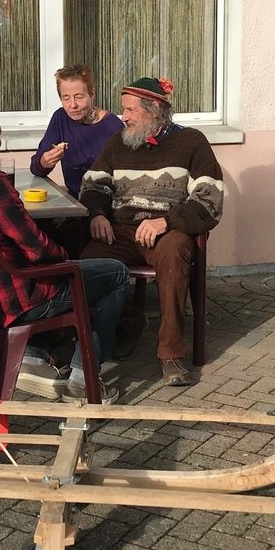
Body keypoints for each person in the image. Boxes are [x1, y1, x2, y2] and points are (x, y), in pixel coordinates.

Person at [0, 104, 129, 402]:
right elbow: (37, 249)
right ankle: (83, 381)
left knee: (56, 267)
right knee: (115, 273)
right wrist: (65, 259)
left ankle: (34, 358)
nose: (0, 142)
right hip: (13, 300)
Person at [80, 77, 223, 387]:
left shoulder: (192, 142)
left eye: (130, 110)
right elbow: (93, 183)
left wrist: (167, 222)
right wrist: (97, 214)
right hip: (121, 229)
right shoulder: (119, 142)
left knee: (174, 255)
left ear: (154, 109)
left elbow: (209, 198)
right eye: (123, 109)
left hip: (167, 230)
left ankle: (171, 354)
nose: (123, 117)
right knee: (85, 266)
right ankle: (132, 322)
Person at [30, 64, 124, 197]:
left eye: (79, 97)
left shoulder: (112, 126)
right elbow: (35, 168)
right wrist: (44, 163)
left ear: (91, 95)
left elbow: (125, 179)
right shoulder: (60, 118)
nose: (73, 105)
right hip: (74, 200)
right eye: (66, 98)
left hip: (107, 201)